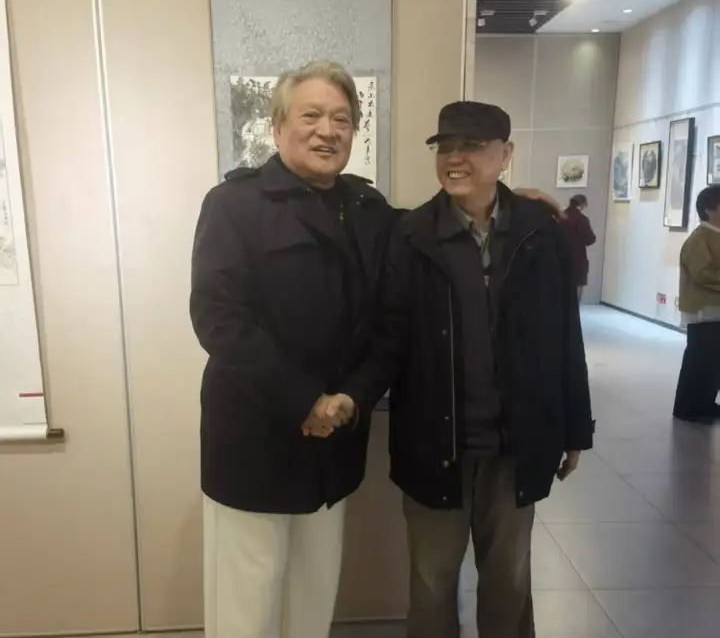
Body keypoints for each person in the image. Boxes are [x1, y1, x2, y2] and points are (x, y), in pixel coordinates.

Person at [190, 61, 562, 638]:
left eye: (341, 119)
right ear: (278, 126)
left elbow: (423, 241)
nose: (327, 130)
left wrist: (505, 199)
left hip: (332, 441)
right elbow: (219, 319)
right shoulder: (233, 204)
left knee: (313, 596)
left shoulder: (366, 208)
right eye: (311, 116)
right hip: (256, 438)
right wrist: (305, 400)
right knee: (247, 603)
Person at [322, 101, 594, 638]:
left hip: (516, 445)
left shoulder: (541, 234)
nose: (454, 158)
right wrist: (352, 395)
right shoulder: (410, 235)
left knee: (509, 581)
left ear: (505, 154)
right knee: (431, 584)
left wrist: (575, 428)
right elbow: (388, 337)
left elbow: (565, 335)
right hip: (434, 444)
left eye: (470, 146)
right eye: (445, 147)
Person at [674, 185, 720, 424]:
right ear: (710, 209)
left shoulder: (715, 235)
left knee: (712, 363)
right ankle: (688, 408)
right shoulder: (700, 237)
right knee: (699, 361)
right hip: (704, 310)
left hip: (715, 309)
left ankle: (704, 403)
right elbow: (702, 273)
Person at [562, 193, 596, 301]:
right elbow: (590, 239)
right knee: (578, 283)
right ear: (582, 205)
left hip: (559, 256)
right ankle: (574, 309)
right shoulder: (582, 219)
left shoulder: (560, 216)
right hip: (577, 257)